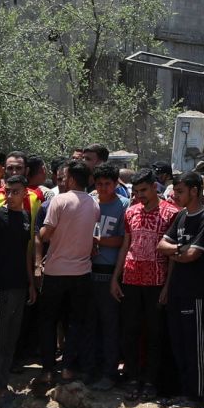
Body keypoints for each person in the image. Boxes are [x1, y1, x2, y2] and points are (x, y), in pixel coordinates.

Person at [157, 172, 204, 405]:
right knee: (179, 343)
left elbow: (193, 254)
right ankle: (183, 392)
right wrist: (179, 250)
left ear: (195, 190)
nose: (175, 195)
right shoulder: (181, 216)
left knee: (196, 346)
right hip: (177, 290)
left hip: (196, 293)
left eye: (180, 191)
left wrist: (176, 251)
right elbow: (161, 245)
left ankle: (197, 395)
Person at [36, 160, 98, 384]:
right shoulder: (94, 204)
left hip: (55, 271)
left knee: (48, 321)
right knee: (75, 322)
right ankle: (68, 368)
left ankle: (47, 370)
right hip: (82, 273)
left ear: (70, 178)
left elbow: (45, 234)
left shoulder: (59, 200)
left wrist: (41, 233)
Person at [116, 171, 174, 398]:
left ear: (154, 187)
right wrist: (115, 278)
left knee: (154, 333)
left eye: (144, 190)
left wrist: (168, 286)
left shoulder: (171, 213)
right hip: (131, 279)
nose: (140, 195)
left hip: (157, 281)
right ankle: (133, 378)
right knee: (130, 331)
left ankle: (151, 381)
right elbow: (125, 245)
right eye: (136, 191)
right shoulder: (130, 212)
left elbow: (172, 256)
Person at [0, 173, 35, 405]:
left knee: (11, 339)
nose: (11, 196)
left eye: (16, 192)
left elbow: (25, 252)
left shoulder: (25, 217)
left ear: (25, 193)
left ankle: (3, 385)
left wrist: (31, 283)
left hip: (19, 286)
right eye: (8, 192)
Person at [88, 163, 128, 388]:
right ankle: (91, 369)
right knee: (89, 324)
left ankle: (109, 373)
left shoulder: (124, 205)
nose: (103, 188)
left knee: (110, 325)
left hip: (110, 271)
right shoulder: (89, 202)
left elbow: (123, 240)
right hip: (87, 269)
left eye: (107, 184)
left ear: (115, 184)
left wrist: (97, 240)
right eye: (99, 183)